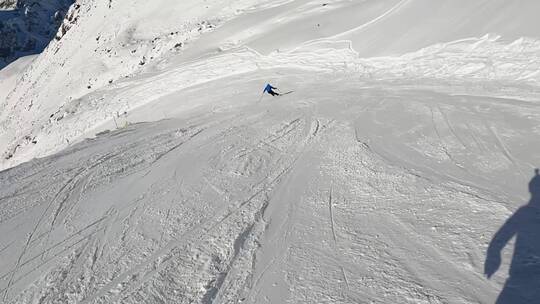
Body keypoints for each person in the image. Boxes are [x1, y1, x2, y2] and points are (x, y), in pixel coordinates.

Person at [485, 169, 540, 303]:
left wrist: (494, 254)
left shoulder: (525, 212)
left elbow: (504, 234)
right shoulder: (525, 213)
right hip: (524, 274)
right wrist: (493, 255)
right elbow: (504, 234)